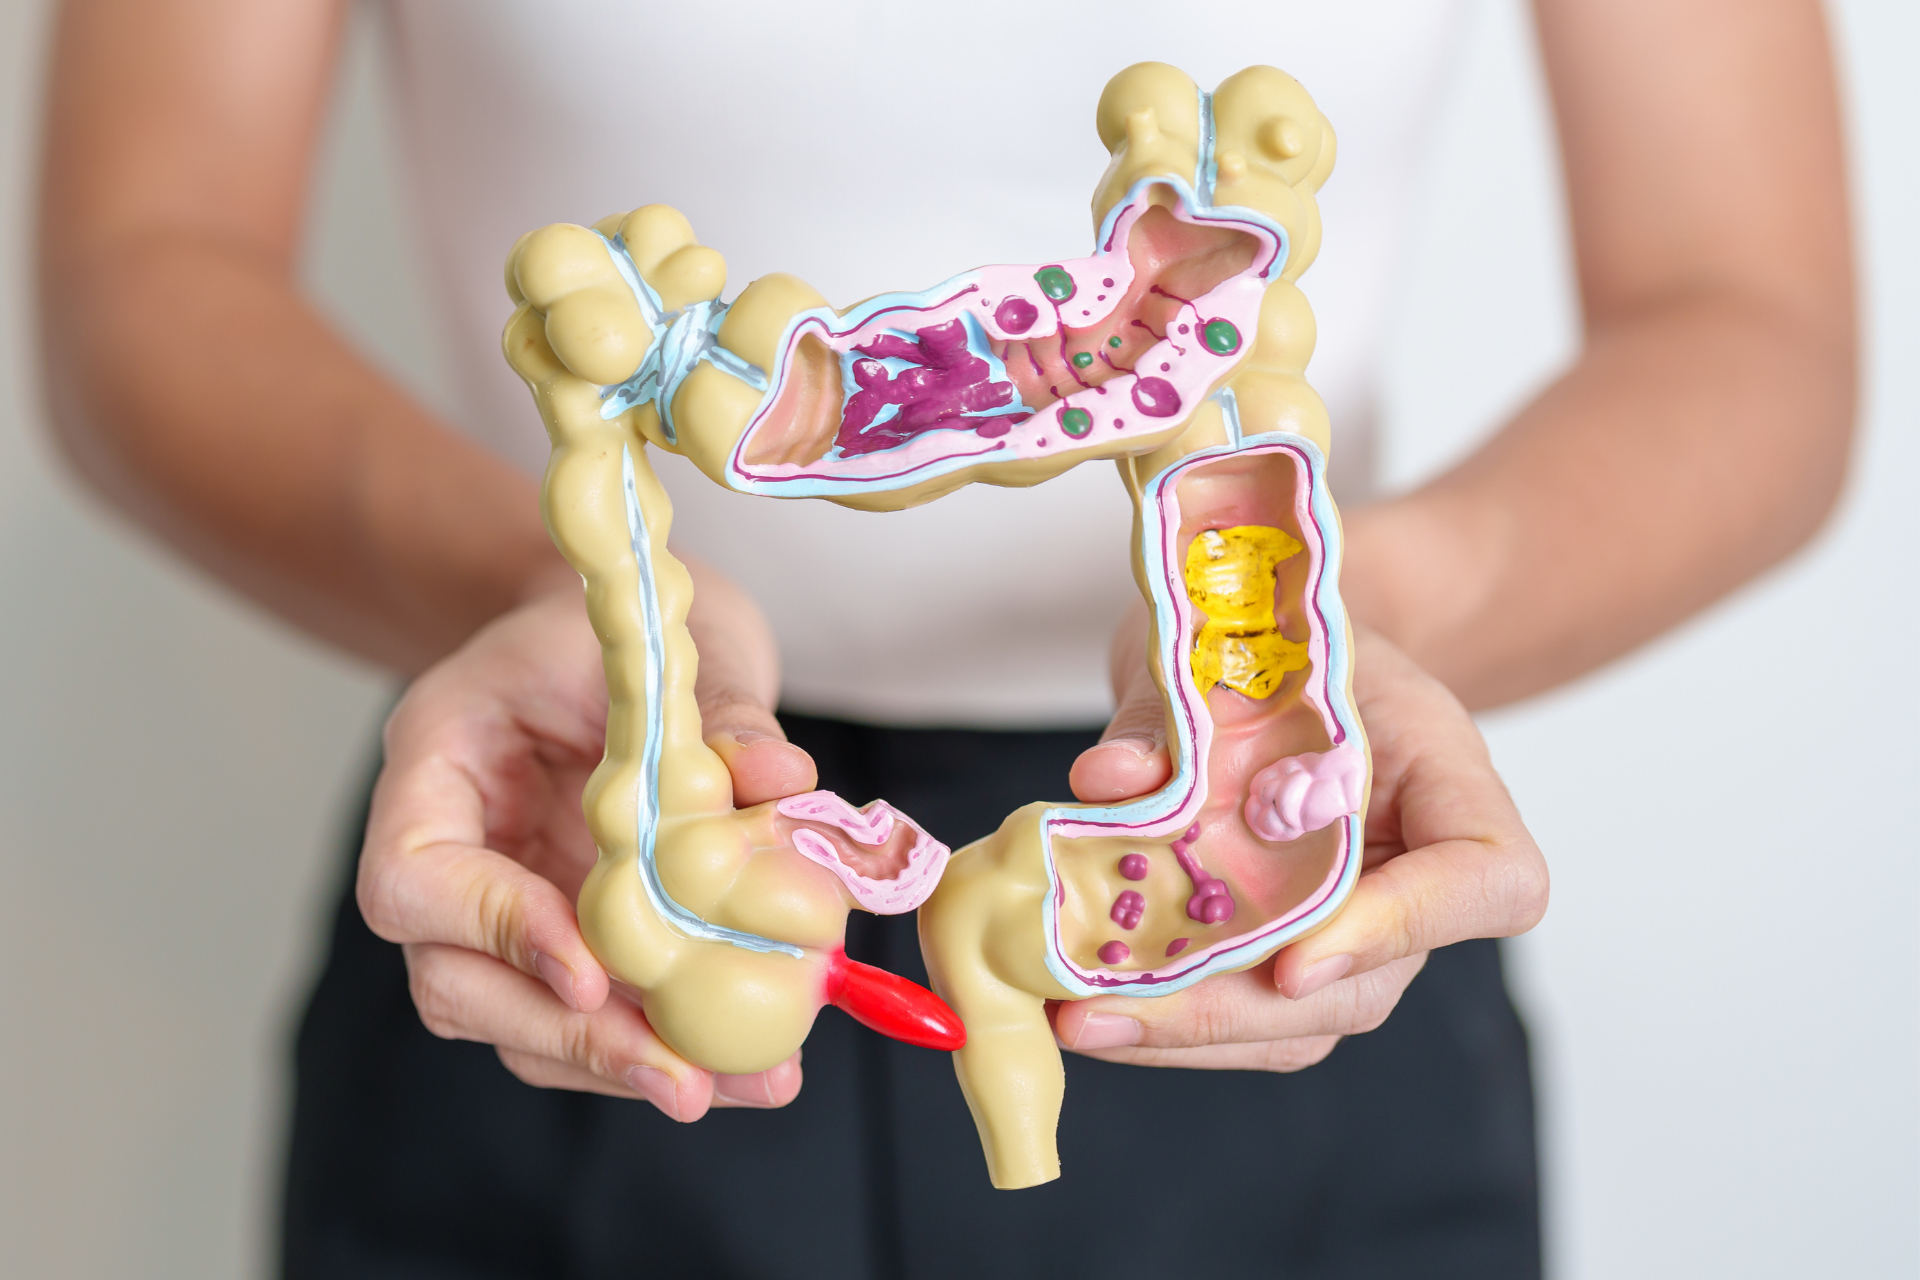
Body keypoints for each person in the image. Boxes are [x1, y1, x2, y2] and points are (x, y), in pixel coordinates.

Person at [35, 1, 1854, 1276]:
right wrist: (564, 597)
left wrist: (1364, 615)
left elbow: (1749, 319)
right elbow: (148, 253)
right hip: (583, 804)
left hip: (1295, 890)